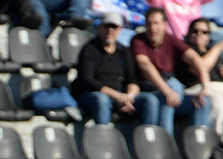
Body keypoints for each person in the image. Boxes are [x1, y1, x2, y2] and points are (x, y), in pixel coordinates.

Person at [131, 7, 211, 136]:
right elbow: (145, 65)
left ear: (164, 25)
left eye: (156, 23)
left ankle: (199, 145)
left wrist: (205, 87)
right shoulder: (138, 40)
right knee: (167, 99)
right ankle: (166, 143)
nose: (152, 28)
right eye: (149, 23)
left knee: (202, 102)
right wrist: (167, 91)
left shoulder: (171, 39)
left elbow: (195, 59)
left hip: (173, 86)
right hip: (152, 88)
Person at [71, 11, 158, 126]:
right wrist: (116, 96)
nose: (110, 30)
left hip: (121, 95)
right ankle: (103, 136)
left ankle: (148, 137)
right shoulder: (89, 49)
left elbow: (133, 80)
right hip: (94, 94)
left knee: (150, 100)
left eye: (114, 27)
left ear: (120, 29)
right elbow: (87, 80)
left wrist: (129, 97)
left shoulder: (124, 51)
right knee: (102, 100)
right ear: (100, 28)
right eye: (107, 26)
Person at [179, 18, 223, 137]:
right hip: (196, 88)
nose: (199, 34)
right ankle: (217, 144)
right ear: (188, 33)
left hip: (218, 87)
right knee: (217, 102)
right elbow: (202, 67)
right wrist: (218, 48)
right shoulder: (184, 50)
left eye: (204, 32)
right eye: (195, 31)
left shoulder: (212, 53)